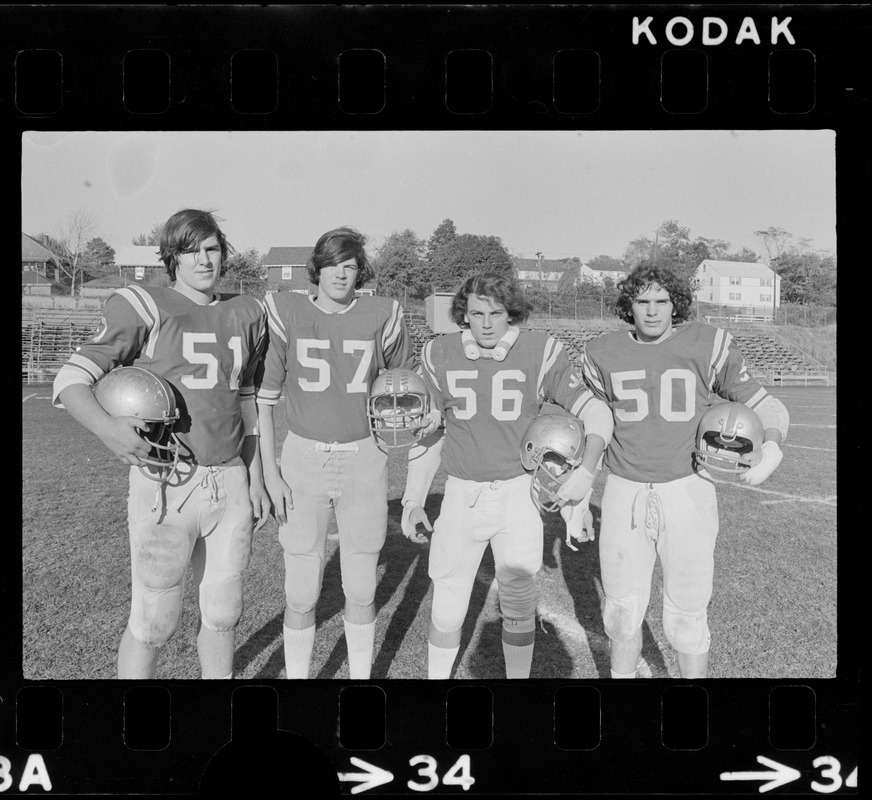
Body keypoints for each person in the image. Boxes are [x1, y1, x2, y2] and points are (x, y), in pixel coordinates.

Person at [52, 208, 270, 679]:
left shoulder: (248, 310)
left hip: (229, 478)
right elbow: (72, 377)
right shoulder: (144, 304)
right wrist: (107, 428)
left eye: (212, 248)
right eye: (191, 251)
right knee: (153, 621)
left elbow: (247, 402)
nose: (204, 260)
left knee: (224, 610)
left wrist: (254, 475)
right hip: (166, 479)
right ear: (172, 257)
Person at [580, 262, 790, 679]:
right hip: (625, 490)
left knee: (687, 617)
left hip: (689, 490)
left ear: (676, 304)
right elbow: (594, 425)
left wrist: (771, 451)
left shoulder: (707, 343)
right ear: (629, 305)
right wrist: (582, 497)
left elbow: (768, 405)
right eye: (643, 301)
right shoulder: (601, 352)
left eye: (662, 301)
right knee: (621, 613)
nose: (653, 311)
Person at [401, 272, 614, 679]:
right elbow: (429, 437)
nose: (485, 323)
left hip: (519, 496)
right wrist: (413, 499)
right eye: (476, 312)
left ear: (510, 313)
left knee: (518, 606)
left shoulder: (540, 351)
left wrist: (585, 477)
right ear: (463, 313)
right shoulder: (440, 353)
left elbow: (596, 412)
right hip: (462, 495)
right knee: (446, 608)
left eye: (495, 313)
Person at [256, 226, 438, 679]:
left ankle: (358, 681)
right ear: (315, 268)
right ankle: (298, 683)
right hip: (302, 457)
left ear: (361, 271)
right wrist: (271, 474)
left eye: (351, 264)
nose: (342, 272)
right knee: (300, 589)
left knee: (360, 583)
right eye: (334, 263)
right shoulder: (287, 311)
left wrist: (426, 411)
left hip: (364, 455)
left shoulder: (382, 313)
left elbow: (407, 381)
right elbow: (262, 402)